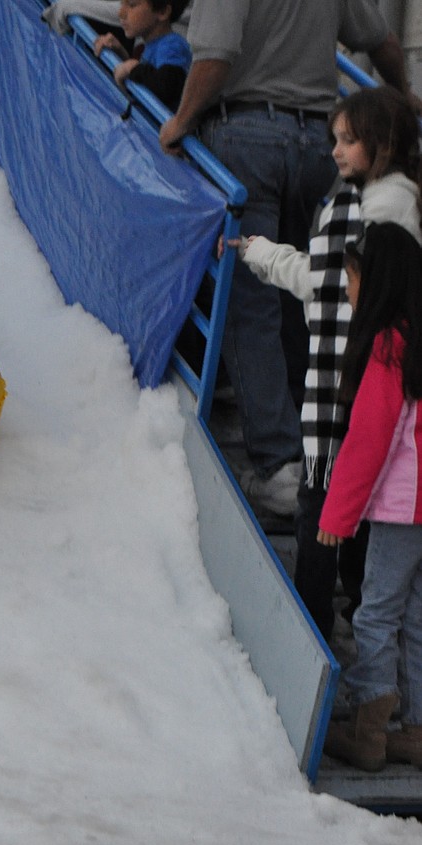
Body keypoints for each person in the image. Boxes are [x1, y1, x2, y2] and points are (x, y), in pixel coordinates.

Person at [158, 0, 413, 518]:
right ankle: (315, 445)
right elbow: (382, 38)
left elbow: (216, 57)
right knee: (304, 295)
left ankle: (278, 462)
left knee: (250, 305)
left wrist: (179, 123)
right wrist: (402, 100)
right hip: (319, 147)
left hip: (245, 138)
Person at [232, 86, 422, 639]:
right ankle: (371, 673)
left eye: (348, 140)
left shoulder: (364, 207)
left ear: (381, 144)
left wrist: (257, 253)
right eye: (334, 138)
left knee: (321, 519)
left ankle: (309, 642)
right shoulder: (404, 200)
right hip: (378, 384)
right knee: (365, 533)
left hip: (347, 385)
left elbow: (317, 281)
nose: (335, 151)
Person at [317, 224, 422, 771]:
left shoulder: (388, 346)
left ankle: (369, 731)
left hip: (404, 508)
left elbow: (369, 439)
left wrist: (339, 513)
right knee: (418, 616)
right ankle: (415, 730)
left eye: (353, 276)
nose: (350, 288)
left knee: (376, 613)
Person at [92, 0, 191, 111]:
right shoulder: (154, 43)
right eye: (122, 3)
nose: (121, 13)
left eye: (132, 5)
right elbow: (149, 78)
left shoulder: (172, 45)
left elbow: (168, 86)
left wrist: (132, 68)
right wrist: (120, 53)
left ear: (162, 12)